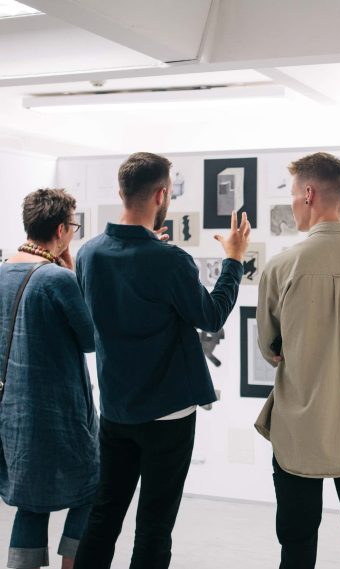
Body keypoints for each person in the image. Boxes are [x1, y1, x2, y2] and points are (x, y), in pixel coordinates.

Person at [73, 152, 250, 569]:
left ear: (120, 192)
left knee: (103, 515)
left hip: (116, 410)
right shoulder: (170, 260)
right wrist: (234, 261)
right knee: (154, 525)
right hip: (168, 415)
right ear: (163, 194)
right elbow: (210, 315)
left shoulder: (89, 253)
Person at [255, 152, 340, 569]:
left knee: (296, 552)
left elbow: (270, 348)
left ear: (310, 194)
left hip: (299, 435)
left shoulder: (281, 268)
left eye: (294, 193)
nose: (293, 202)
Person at [0, 189, 98, 569]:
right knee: (92, 487)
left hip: (12, 414)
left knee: (30, 501)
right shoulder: (57, 279)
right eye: (72, 225)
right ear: (60, 228)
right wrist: (73, 276)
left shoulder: (3, 268)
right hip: (60, 413)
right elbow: (91, 339)